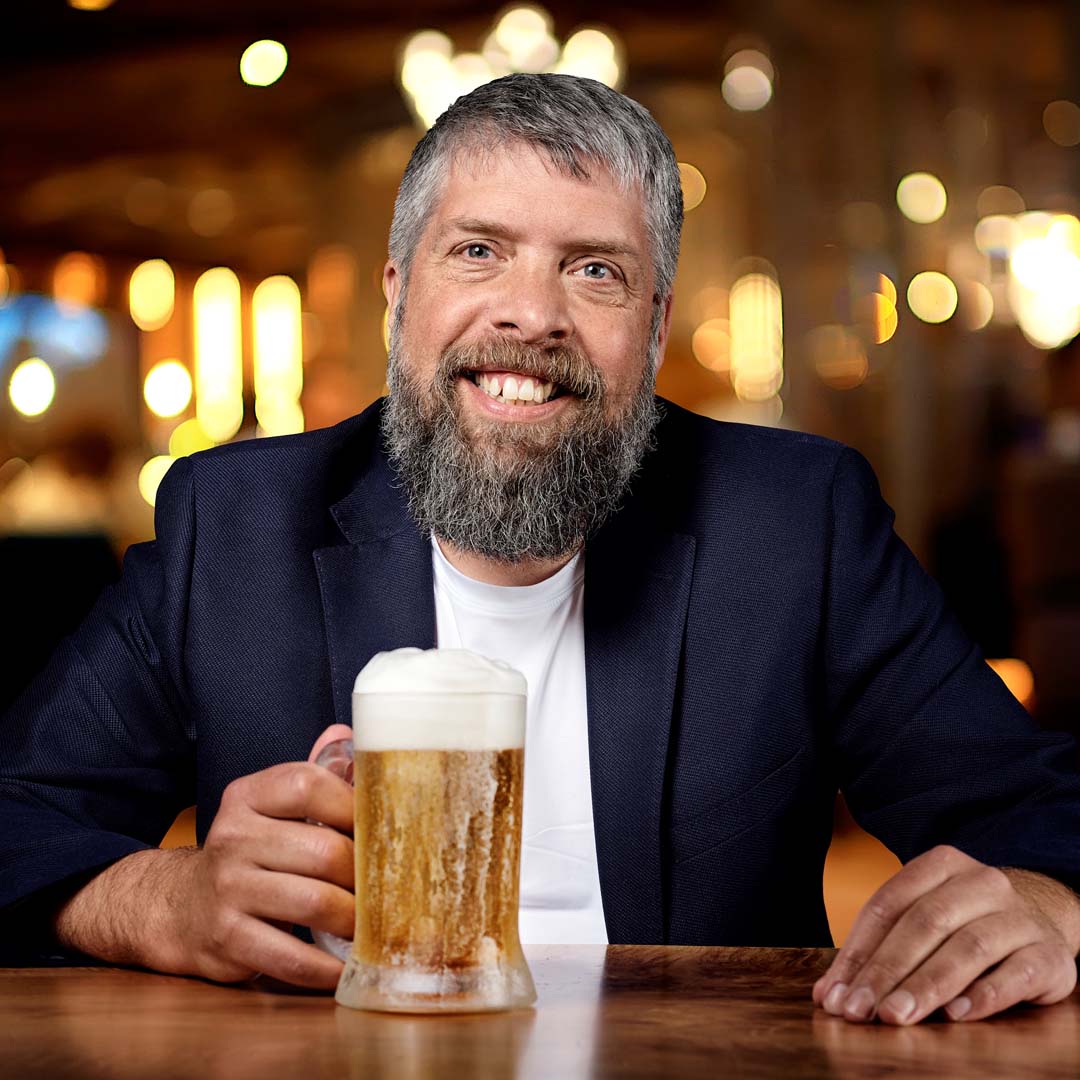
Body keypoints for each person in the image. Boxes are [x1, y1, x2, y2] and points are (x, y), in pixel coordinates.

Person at [2, 74, 1079, 1027]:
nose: (530, 314)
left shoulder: (797, 523)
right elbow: (19, 819)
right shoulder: (234, 524)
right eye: (478, 251)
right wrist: (166, 900)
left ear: (653, 328)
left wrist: (1045, 903)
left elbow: (1038, 816)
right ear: (397, 294)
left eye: (595, 270)